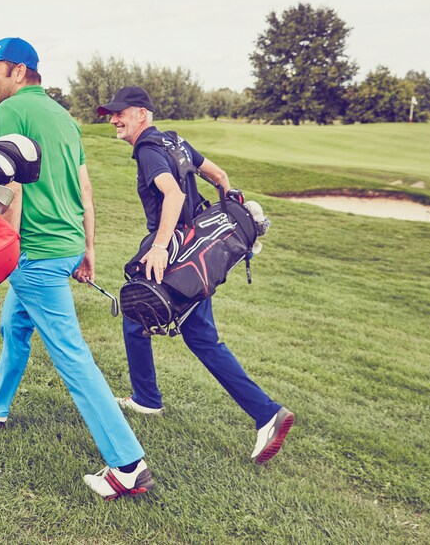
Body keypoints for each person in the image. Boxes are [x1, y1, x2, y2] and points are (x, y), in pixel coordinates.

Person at [0, 37, 155, 500]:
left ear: (20, 72)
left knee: (71, 355)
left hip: (38, 252)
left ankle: (127, 464)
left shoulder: (13, 111)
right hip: (66, 245)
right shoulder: (63, 116)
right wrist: (87, 249)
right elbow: (84, 189)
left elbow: (12, 190)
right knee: (15, 327)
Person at [99, 85, 294, 464]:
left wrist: (159, 246)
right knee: (152, 324)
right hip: (198, 250)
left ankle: (266, 412)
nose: (114, 119)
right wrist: (221, 211)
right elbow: (219, 176)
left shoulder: (149, 149)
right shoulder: (176, 141)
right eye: (111, 114)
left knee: (174, 326)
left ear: (142, 114)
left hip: (175, 255)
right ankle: (146, 399)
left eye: (120, 113)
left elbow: (171, 195)